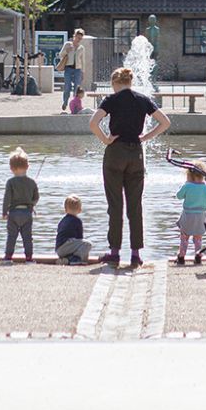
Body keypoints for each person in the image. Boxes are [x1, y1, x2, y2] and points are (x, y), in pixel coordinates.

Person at [87, 66, 172, 267]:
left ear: (115, 83)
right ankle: (135, 254)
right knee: (135, 205)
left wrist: (106, 140)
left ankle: (114, 252)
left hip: (115, 153)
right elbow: (165, 122)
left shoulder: (111, 100)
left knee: (115, 205)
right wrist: (145, 137)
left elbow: (93, 123)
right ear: (130, 82)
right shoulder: (142, 99)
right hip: (136, 154)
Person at [1, 147, 40, 263]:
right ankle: (29, 258)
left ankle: (8, 257)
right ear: (27, 166)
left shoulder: (10, 182)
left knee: (11, 236)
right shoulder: (32, 182)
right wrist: (32, 205)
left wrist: (4, 212)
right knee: (27, 237)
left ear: (11, 168)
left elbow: (7, 198)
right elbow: (36, 197)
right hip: (27, 213)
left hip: (13, 213)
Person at [173, 164, 206, 266]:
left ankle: (181, 257)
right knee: (198, 238)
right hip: (201, 216)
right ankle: (198, 255)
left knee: (184, 237)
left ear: (189, 175)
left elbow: (178, 196)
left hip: (188, 215)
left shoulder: (187, 186)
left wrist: (184, 185)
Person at [55, 195, 91, 265]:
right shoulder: (77, 221)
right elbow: (80, 238)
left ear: (65, 209)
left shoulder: (62, 220)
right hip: (67, 246)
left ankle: (67, 259)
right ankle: (74, 259)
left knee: (75, 243)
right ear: (80, 210)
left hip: (59, 249)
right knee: (87, 244)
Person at [58, 29, 85, 113]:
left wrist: (83, 72)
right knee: (67, 87)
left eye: (80, 38)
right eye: (77, 37)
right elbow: (60, 55)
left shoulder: (81, 48)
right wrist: (67, 50)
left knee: (77, 87)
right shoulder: (67, 44)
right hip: (68, 68)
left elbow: (82, 60)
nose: (78, 40)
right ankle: (65, 102)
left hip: (77, 69)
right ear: (74, 36)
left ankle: (75, 104)